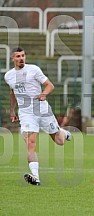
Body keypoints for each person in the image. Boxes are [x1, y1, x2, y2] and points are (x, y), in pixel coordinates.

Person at [4, 47, 72, 186]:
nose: (21, 58)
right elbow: (13, 92)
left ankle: (63, 133)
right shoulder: (8, 76)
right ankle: (35, 176)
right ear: (13, 59)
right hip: (26, 113)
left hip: (42, 109)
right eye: (18, 56)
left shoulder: (33, 69)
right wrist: (12, 110)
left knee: (59, 141)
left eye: (23, 55)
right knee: (31, 143)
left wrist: (44, 94)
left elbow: (49, 85)